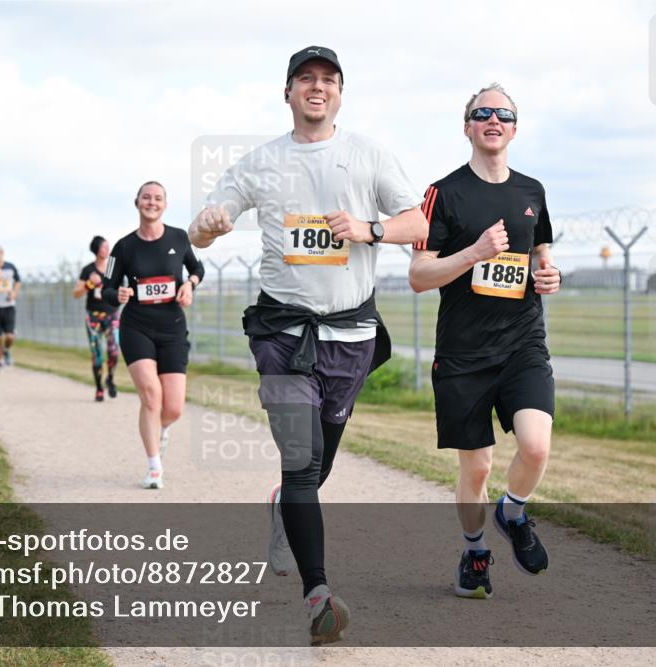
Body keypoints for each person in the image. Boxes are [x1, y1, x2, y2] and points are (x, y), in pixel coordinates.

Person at [189, 46, 427, 645]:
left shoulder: (368, 155)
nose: (316, 88)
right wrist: (209, 226)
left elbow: (417, 225)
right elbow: (202, 228)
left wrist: (369, 229)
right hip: (283, 334)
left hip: (352, 335)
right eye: (305, 79)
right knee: (301, 463)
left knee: (316, 466)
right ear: (289, 92)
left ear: (340, 95)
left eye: (328, 80)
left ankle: (283, 509)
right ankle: (319, 595)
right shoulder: (262, 162)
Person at [409, 83, 561, 600]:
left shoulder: (532, 191)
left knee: (536, 447)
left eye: (503, 114)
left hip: (523, 345)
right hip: (463, 354)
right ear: (467, 125)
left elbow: (540, 251)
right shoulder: (443, 193)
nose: (493, 120)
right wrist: (473, 251)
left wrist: (548, 274)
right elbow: (419, 275)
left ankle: (512, 511)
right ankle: (475, 553)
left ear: (515, 127)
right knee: (477, 466)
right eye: (482, 113)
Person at [103, 181, 204, 490]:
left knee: (172, 407)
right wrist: (116, 293)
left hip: (172, 327)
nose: (152, 202)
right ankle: (154, 466)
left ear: (165, 204)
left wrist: (190, 285)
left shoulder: (180, 238)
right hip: (136, 327)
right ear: (137, 202)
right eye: (146, 197)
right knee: (151, 394)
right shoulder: (122, 246)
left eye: (158, 198)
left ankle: (159, 430)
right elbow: (106, 287)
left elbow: (197, 268)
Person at [73, 236, 120, 401]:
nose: (107, 249)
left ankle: (110, 379)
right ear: (96, 250)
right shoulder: (88, 270)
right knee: (97, 354)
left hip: (112, 315)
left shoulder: (114, 268)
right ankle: (99, 388)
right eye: (104, 247)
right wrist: (89, 284)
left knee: (114, 352)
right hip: (93, 316)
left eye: (108, 246)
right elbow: (76, 293)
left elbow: (122, 288)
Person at [0, 245, 21, 371]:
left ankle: (6, 350)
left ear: (3, 254)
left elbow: (18, 282)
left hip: (8, 305)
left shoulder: (10, 267)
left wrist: (14, 293)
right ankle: (0, 360)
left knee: (9, 336)